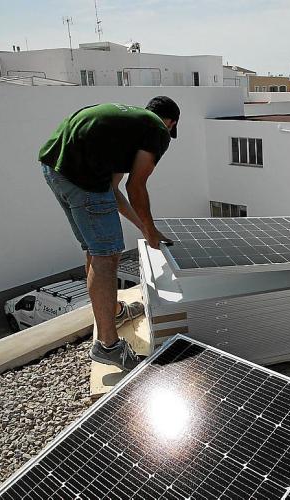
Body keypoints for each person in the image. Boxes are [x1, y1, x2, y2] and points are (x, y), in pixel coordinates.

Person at [39, 97, 180, 370]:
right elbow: (135, 187)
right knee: (107, 255)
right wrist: (151, 230)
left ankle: (113, 313)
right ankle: (108, 345)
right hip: (81, 175)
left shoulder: (126, 127)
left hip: (55, 167)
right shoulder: (157, 131)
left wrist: (144, 228)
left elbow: (113, 191)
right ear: (170, 123)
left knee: (95, 249)